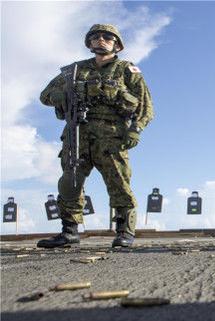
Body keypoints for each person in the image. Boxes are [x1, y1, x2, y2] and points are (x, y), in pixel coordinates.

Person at [37, 24, 154, 248]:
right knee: (70, 182)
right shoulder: (73, 71)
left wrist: (135, 129)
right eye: (96, 37)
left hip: (111, 136)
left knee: (119, 183)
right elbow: (45, 95)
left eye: (107, 37)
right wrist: (63, 94)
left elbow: (146, 105)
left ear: (116, 44)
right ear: (89, 43)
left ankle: (124, 232)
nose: (101, 39)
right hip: (77, 133)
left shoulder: (126, 70)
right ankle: (69, 232)